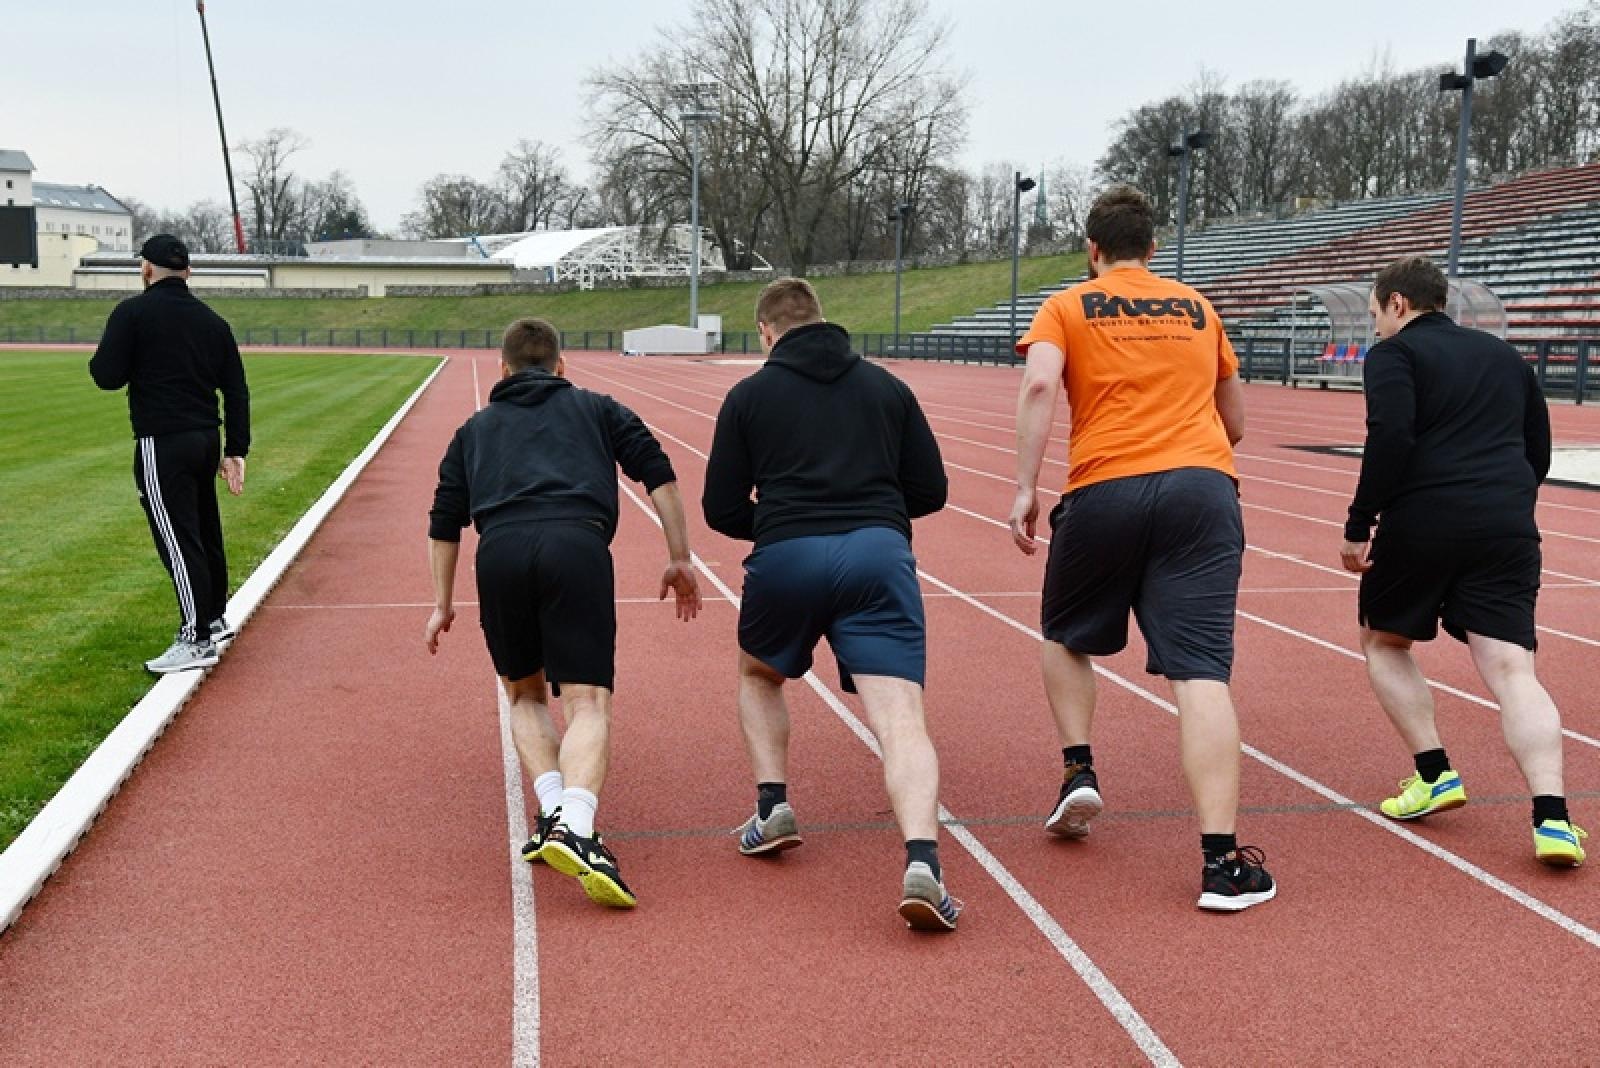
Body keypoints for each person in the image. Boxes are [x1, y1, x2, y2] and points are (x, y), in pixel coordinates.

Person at [1009, 185, 1276, 912]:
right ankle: (1221, 865)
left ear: (1091, 251)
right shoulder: (1197, 307)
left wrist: (1026, 488)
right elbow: (1237, 420)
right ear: (1153, 249)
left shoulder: (1067, 305)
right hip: (1202, 488)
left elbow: (1039, 385)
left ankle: (1079, 768)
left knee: (1065, 636)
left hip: (1105, 485)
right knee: (1201, 675)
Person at [702, 278, 959, 931]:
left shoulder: (749, 395)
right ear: (823, 319)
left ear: (766, 332)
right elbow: (930, 488)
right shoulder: (886, 388)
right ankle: (923, 861)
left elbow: (720, 507)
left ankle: (772, 807)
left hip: (785, 553)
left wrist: (778, 522)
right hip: (876, 554)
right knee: (901, 717)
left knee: (759, 676)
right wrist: (874, 513)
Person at [426, 318, 702, 909]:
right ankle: (574, 824)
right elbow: (660, 475)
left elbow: (444, 520)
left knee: (524, 695)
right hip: (576, 546)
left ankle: (555, 812)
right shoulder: (599, 409)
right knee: (586, 701)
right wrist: (679, 557)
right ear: (561, 365)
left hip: (499, 552)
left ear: (501, 370)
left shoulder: (472, 430)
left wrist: (443, 604)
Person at [1341, 255, 1585, 868]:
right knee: (1511, 668)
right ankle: (1553, 818)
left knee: (1384, 641)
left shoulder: (1395, 356)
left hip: (1424, 519)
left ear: (1398, 304)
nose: (1373, 329)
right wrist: (1501, 499)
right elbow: (1539, 450)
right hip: (1506, 522)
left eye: (1374, 316)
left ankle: (1434, 774)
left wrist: (1358, 522)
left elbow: (1390, 437)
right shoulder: (1506, 356)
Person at [89, 234, 249, 674]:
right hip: (205, 438)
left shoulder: (132, 313)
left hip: (162, 440)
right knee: (203, 529)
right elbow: (236, 389)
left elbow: (106, 376)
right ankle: (213, 617)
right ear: (188, 271)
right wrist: (237, 450)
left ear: (146, 269)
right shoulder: (213, 321)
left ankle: (194, 636)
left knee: (177, 539)